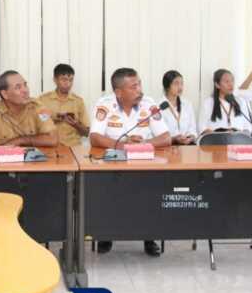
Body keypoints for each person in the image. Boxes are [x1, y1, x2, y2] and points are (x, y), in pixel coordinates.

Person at [90, 67, 171, 256]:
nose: (139, 90)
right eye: (134, 87)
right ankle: (106, 234)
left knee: (150, 194)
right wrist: (124, 146)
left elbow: (166, 138)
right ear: (119, 92)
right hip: (113, 165)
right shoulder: (104, 105)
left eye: (139, 84)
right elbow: (95, 137)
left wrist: (143, 144)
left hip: (143, 164)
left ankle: (149, 237)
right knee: (105, 190)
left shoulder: (149, 104)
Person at [0, 70, 58, 156]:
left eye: (25, 85)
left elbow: (53, 139)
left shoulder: (39, 108)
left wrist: (20, 140)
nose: (25, 90)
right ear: (5, 94)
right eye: (18, 87)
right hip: (3, 165)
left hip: (34, 163)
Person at [37, 63, 90, 147]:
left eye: (71, 80)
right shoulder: (43, 100)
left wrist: (76, 125)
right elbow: (37, 127)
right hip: (49, 147)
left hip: (73, 147)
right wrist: (56, 118)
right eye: (64, 80)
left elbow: (86, 133)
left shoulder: (78, 101)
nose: (68, 84)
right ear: (55, 80)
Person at [198, 69, 252, 135]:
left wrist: (241, 134)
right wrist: (220, 135)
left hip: (238, 139)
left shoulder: (241, 101)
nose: (231, 84)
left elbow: (248, 126)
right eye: (227, 81)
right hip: (216, 139)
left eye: (232, 81)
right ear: (217, 85)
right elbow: (202, 127)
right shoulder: (208, 103)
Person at [159, 70, 198, 145]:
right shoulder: (159, 106)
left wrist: (191, 137)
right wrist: (174, 139)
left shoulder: (187, 104)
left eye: (181, 83)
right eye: (176, 83)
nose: (180, 87)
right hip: (168, 146)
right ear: (167, 86)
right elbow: (159, 134)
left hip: (188, 145)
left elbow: (193, 129)